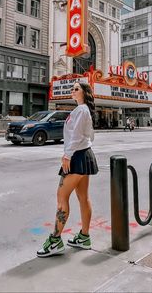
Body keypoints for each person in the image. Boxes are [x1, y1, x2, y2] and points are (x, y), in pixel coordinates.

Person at [37, 82, 98, 258]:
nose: (72, 91)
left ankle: (55, 240)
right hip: (84, 154)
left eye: (76, 89)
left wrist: (67, 156)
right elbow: (88, 135)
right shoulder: (83, 110)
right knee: (83, 197)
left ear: (85, 93)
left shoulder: (81, 110)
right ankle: (84, 237)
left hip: (77, 156)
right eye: (72, 89)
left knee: (62, 197)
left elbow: (77, 135)